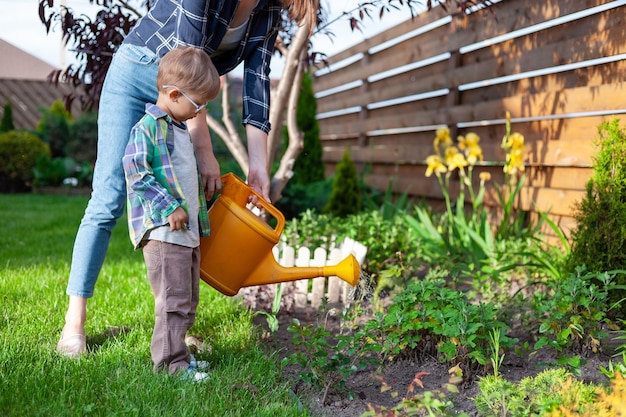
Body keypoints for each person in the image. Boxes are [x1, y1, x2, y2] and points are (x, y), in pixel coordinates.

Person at [56, 0, 319, 358]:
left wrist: (259, 166)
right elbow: (186, 59)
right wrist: (204, 150)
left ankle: (172, 332)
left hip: (187, 98)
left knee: (187, 204)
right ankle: (74, 323)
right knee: (109, 196)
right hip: (138, 74)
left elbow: (256, 87)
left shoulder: (267, 13)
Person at [122, 46, 220, 381]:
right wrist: (170, 207)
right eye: (197, 104)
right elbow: (135, 171)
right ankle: (169, 366)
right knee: (172, 301)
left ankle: (180, 354)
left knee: (187, 299)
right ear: (174, 94)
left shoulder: (177, 127)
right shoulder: (149, 127)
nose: (200, 111)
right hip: (165, 234)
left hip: (185, 235)